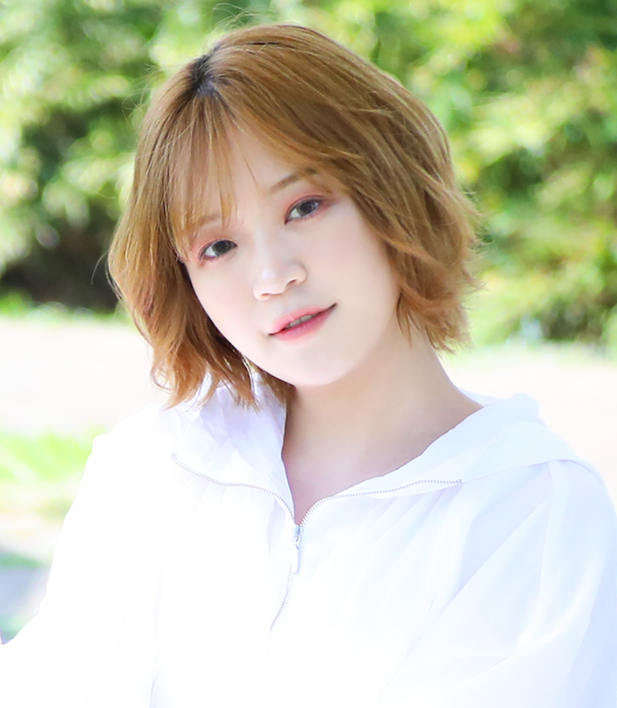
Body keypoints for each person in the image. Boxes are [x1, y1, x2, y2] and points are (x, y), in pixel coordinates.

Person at [1, 23, 616, 708]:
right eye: (218, 246)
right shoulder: (157, 464)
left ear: (391, 191)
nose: (272, 276)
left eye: (304, 207)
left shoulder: (533, 511)